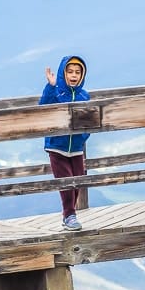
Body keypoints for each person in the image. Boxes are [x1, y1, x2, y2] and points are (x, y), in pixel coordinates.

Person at [39, 55, 90, 231]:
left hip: (76, 148)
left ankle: (70, 214)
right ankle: (69, 215)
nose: (74, 75)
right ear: (63, 73)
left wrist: (82, 137)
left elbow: (89, 120)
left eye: (77, 72)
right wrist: (51, 86)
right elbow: (43, 107)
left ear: (82, 75)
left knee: (78, 181)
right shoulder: (57, 92)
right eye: (70, 72)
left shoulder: (84, 95)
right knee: (66, 182)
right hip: (57, 147)